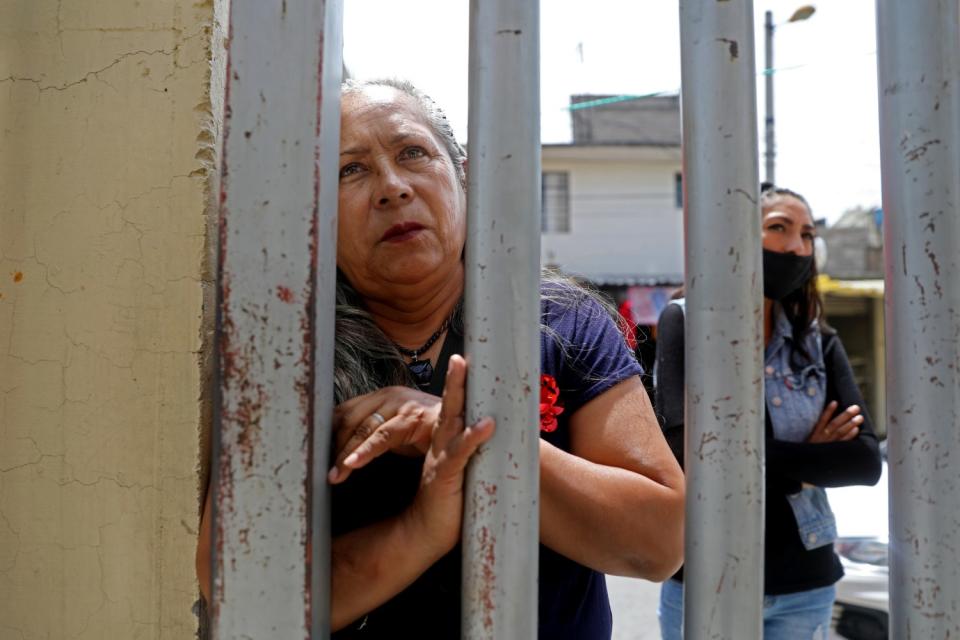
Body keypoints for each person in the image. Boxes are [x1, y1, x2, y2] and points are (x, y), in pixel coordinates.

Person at [196, 78, 685, 638]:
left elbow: (658, 546)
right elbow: (241, 590)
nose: (392, 188)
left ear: (463, 177)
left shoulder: (557, 321)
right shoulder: (287, 350)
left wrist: (453, 433)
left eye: (413, 153)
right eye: (349, 170)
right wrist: (421, 529)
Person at [654, 184, 883, 639]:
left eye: (807, 234)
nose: (797, 246)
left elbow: (863, 462)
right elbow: (685, 456)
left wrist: (746, 456)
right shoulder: (685, 321)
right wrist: (809, 461)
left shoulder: (817, 340)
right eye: (779, 228)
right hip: (705, 575)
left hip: (805, 583)